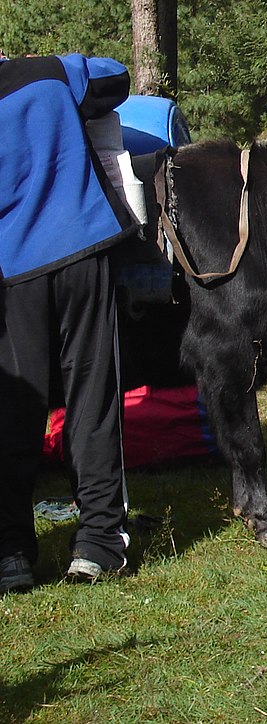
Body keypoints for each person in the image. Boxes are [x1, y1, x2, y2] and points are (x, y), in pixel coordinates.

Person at [0, 53, 136, 593]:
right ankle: (98, 543)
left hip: (14, 268)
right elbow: (115, 78)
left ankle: (11, 553)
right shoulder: (49, 71)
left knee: (16, 408)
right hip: (82, 244)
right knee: (93, 394)